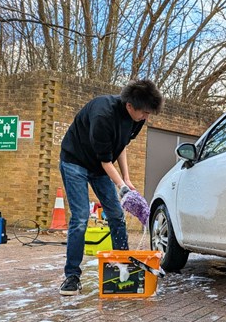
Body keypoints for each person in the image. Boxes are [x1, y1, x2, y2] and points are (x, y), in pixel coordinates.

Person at [58, 79, 163, 296]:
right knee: (79, 218)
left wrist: (126, 177)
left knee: (116, 214)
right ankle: (72, 276)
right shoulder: (103, 115)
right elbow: (106, 162)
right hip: (75, 161)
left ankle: (122, 265)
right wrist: (121, 187)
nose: (146, 117)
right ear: (129, 106)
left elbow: (120, 146)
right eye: (144, 112)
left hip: (99, 166)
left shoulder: (138, 117)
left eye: (149, 113)